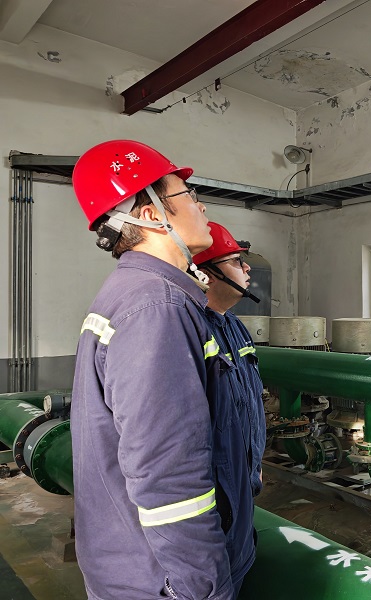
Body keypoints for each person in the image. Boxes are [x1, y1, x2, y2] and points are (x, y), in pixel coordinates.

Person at [71, 140, 255, 599]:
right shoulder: (157, 306)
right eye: (188, 194)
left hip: (145, 568)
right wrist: (206, 588)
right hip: (163, 580)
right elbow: (170, 478)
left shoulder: (141, 293)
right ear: (152, 214)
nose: (200, 205)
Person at [194, 222, 267, 503]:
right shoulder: (191, 330)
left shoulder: (236, 326)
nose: (247, 268)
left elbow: (250, 403)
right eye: (236, 261)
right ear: (206, 275)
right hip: (212, 486)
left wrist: (255, 463)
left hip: (243, 475)